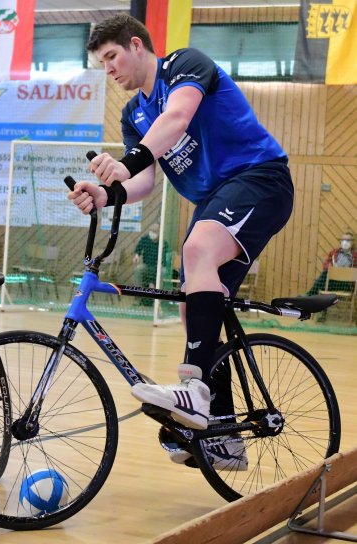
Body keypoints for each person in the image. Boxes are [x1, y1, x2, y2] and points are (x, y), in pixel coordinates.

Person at [68, 14, 294, 469]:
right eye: (101, 63)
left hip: (260, 179)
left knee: (196, 251)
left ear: (136, 45)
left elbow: (178, 117)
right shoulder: (134, 113)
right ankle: (222, 434)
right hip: (215, 199)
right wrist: (107, 194)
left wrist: (128, 161)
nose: (108, 70)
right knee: (195, 304)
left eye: (111, 57)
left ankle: (193, 389)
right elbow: (145, 184)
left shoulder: (185, 65)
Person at [306, 231, 357, 296]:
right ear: (340, 241)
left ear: (352, 243)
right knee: (325, 274)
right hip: (332, 282)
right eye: (343, 240)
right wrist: (330, 268)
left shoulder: (355, 256)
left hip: (345, 284)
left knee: (323, 280)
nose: (345, 242)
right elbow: (326, 264)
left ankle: (310, 295)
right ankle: (311, 296)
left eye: (348, 240)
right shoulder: (334, 252)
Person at [133, 222, 169, 289]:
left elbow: (164, 259)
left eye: (154, 231)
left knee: (163, 271)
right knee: (138, 269)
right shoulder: (145, 239)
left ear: (159, 232)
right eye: (151, 231)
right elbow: (138, 248)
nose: (152, 233)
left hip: (159, 267)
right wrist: (136, 255)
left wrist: (152, 282)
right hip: (147, 265)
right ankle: (139, 292)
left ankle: (158, 294)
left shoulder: (164, 243)